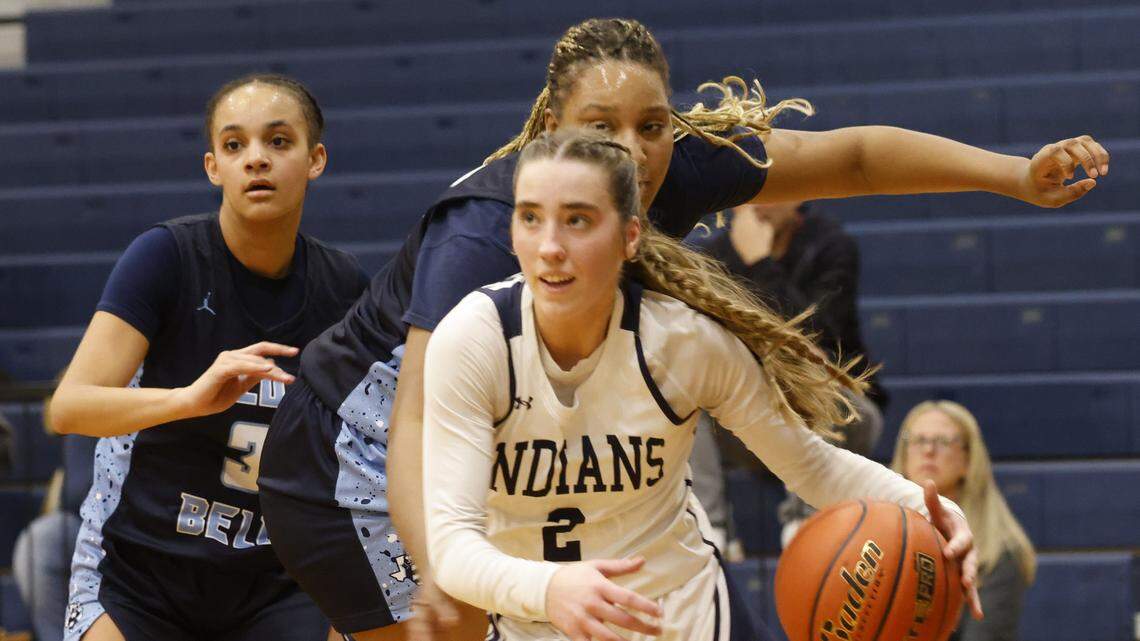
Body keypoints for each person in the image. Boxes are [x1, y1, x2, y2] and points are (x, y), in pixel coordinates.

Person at [255, 17, 1106, 641]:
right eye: (603, 127)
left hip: (481, 443)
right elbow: (410, 417)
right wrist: (436, 569)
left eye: (652, 125)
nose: (634, 148)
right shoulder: (487, 233)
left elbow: (852, 159)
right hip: (350, 455)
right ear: (551, 126)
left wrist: (1012, 176)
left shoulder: (667, 170)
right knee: (453, 622)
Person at [421, 131, 982, 641]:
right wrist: (550, 588)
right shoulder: (475, 340)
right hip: (537, 623)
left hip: (686, 618)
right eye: (530, 218)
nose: (549, 246)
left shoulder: (683, 342)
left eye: (577, 220)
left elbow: (812, 464)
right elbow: (451, 547)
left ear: (630, 236)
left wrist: (930, 510)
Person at [48, 74, 369, 641]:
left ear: (315, 159)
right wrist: (189, 399)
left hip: (280, 579)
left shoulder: (344, 287)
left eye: (278, 141)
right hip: (140, 570)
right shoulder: (164, 257)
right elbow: (68, 408)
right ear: (212, 167)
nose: (256, 160)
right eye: (233, 144)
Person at [689, 201, 887, 547]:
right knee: (690, 387)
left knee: (814, 376)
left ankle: (806, 521)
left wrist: (760, 263)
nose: (757, 206)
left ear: (798, 195)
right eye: (748, 195)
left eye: (772, 191)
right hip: (749, 418)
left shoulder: (830, 245)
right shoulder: (715, 255)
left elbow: (819, 342)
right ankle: (709, 528)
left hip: (842, 414)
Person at [891, 401, 1037, 641]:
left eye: (944, 442)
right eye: (917, 440)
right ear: (904, 456)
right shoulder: (874, 537)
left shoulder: (1000, 552)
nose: (928, 450)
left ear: (968, 461)